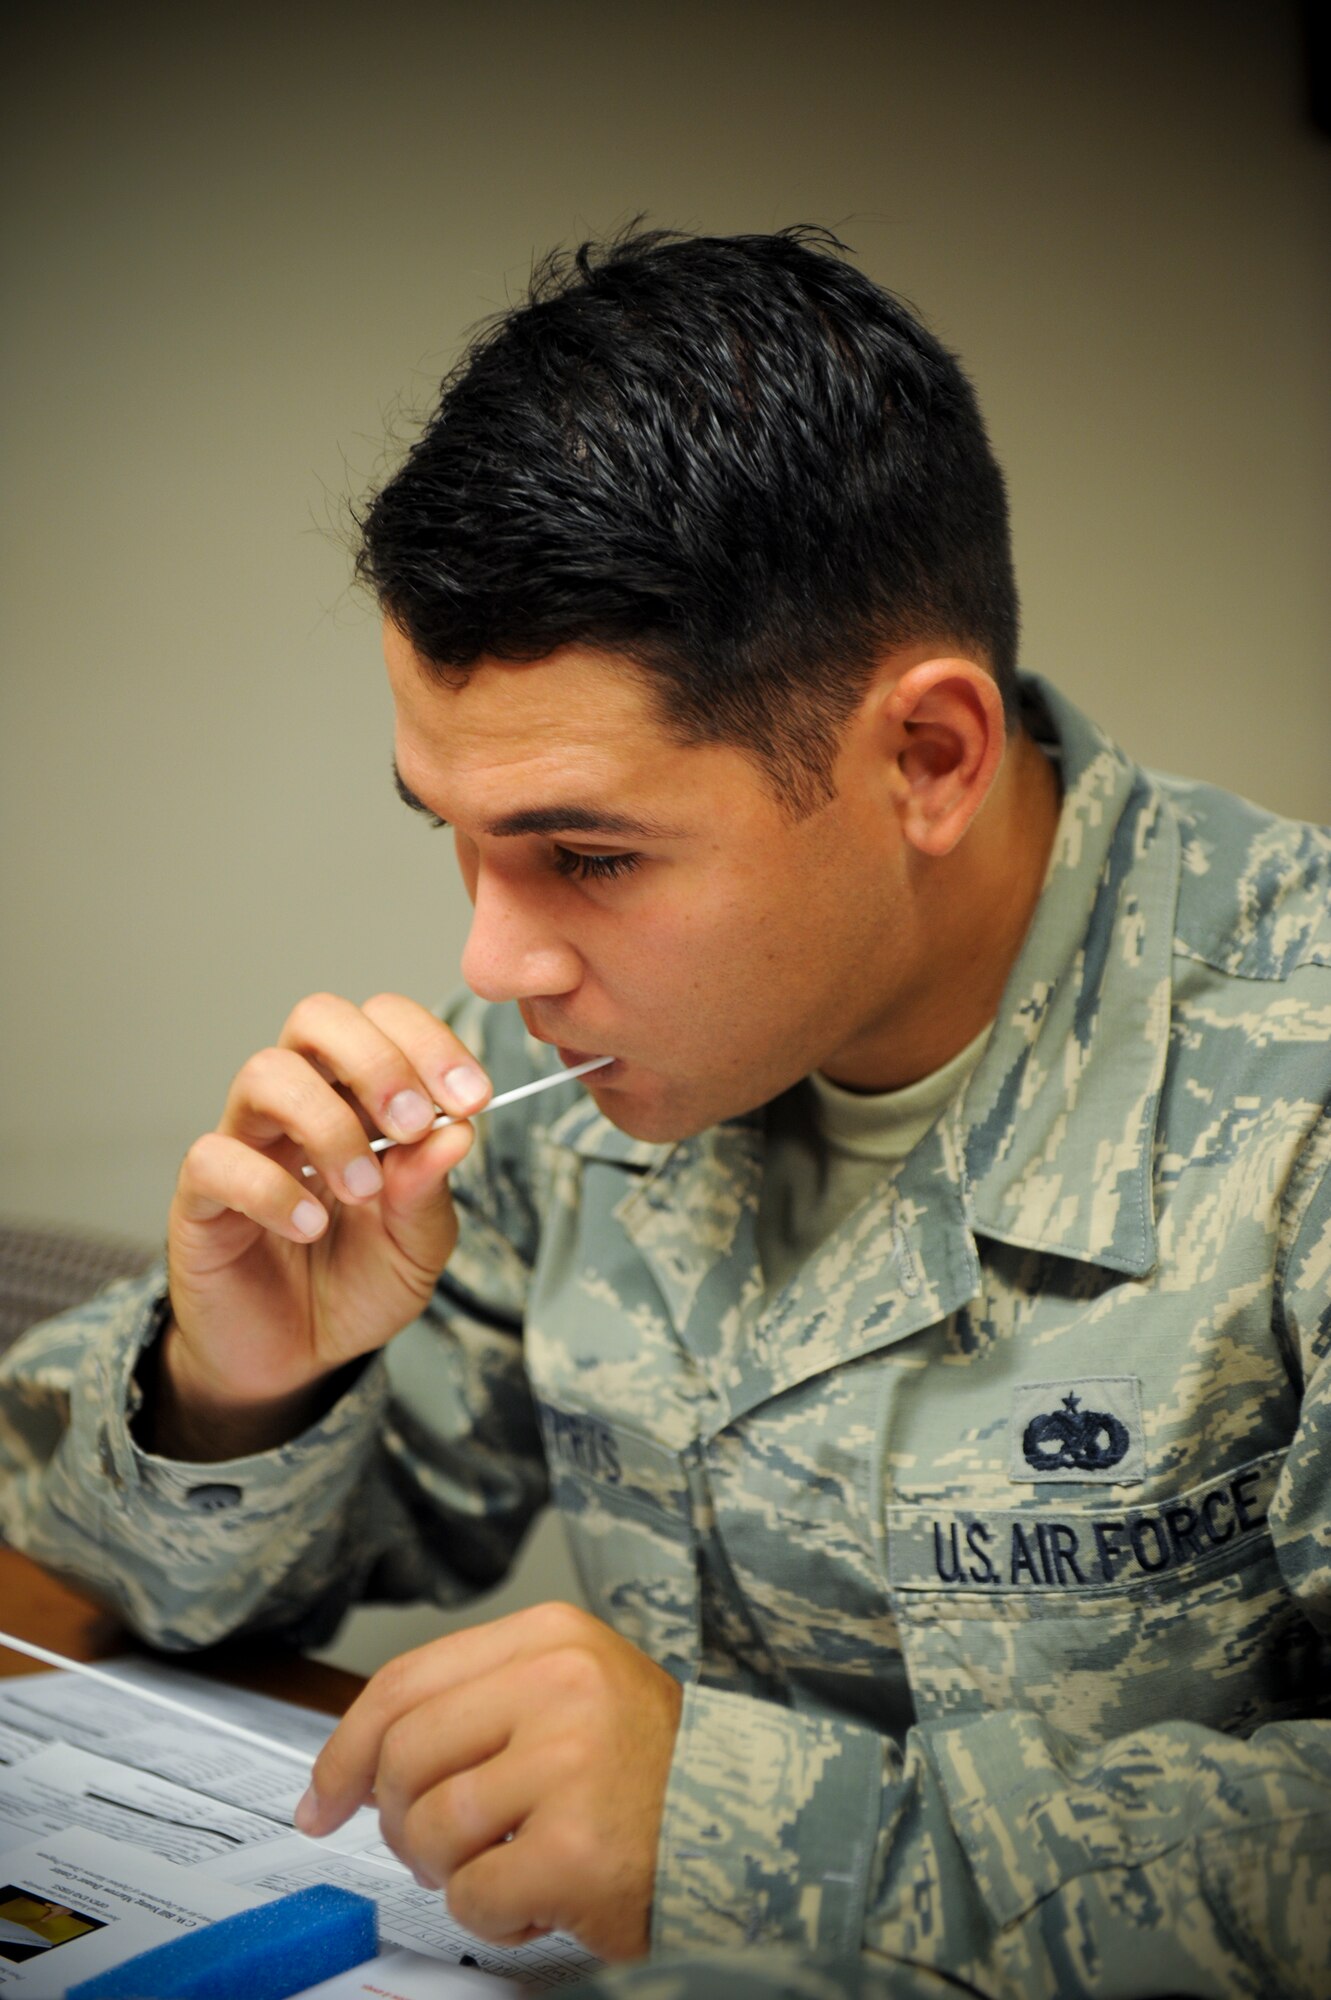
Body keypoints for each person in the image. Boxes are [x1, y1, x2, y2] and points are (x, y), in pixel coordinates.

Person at [1, 228, 1327, 1999]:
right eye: (450, 836)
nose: (495, 956)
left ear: (926, 759)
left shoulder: (1294, 1083)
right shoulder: (587, 1066)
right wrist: (242, 1391)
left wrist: (737, 1835)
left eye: (591, 856)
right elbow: (164, 1604)